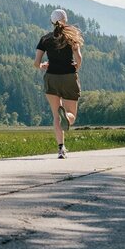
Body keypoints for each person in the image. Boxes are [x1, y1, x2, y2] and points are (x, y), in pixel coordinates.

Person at [35, 9, 83, 159]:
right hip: (69, 77)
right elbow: (79, 58)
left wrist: (42, 66)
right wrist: (76, 66)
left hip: (51, 78)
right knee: (71, 115)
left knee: (56, 116)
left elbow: (36, 63)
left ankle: (61, 149)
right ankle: (66, 117)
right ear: (65, 20)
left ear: (52, 22)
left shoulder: (45, 39)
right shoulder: (71, 37)